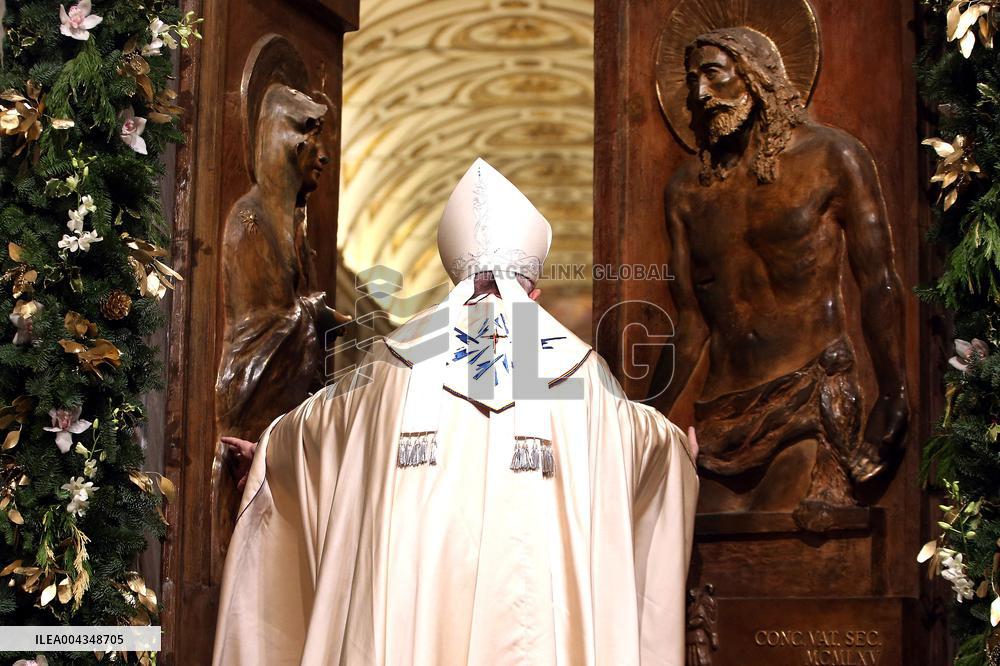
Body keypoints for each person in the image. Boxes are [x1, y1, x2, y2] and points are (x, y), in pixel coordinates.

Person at [213, 158, 700, 665]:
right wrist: (679, 454)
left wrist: (268, 454)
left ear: (456, 280)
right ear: (533, 290)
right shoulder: (578, 373)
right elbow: (647, 448)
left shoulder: (389, 367)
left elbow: (312, 437)